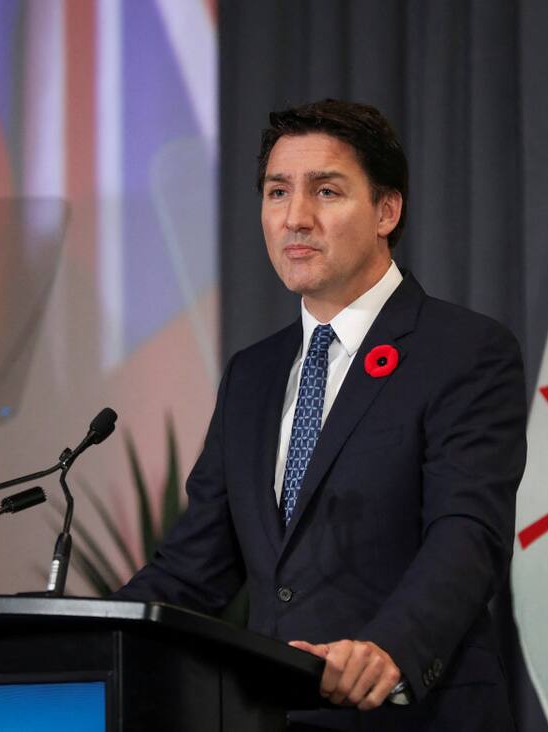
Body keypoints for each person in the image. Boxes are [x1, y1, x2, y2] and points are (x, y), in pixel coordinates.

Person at [116, 99, 526, 730]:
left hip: (417, 716)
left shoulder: (463, 351)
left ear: (386, 211)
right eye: (277, 193)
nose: (295, 219)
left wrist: (388, 648)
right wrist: (80, 644)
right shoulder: (253, 375)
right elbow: (194, 569)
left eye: (326, 192)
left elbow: (468, 532)